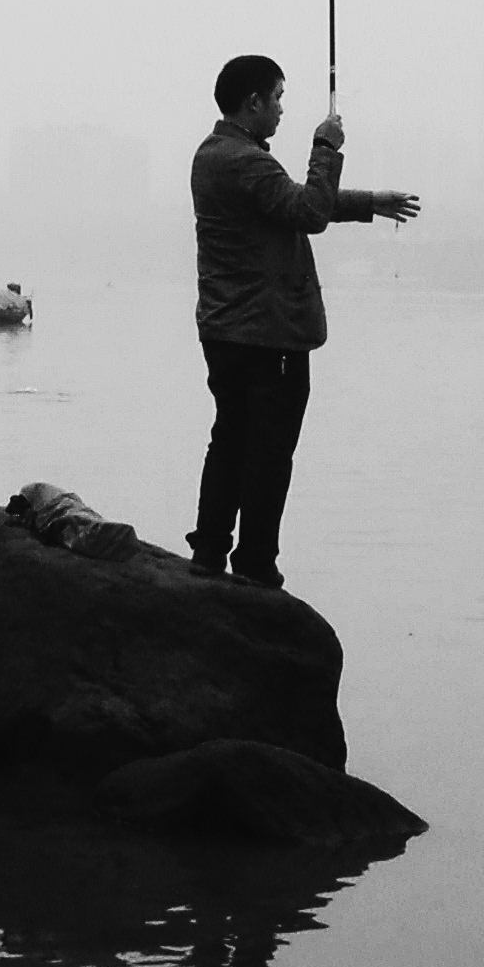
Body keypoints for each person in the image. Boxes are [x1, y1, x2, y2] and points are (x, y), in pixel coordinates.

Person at [190, 54, 418, 589]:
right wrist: (326, 147)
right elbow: (307, 213)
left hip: (225, 333)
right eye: (278, 99)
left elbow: (290, 203)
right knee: (268, 453)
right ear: (254, 102)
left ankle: (207, 552)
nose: (281, 111)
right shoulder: (246, 161)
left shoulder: (216, 155)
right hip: (269, 337)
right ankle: (255, 565)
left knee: (229, 441)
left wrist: (368, 203)